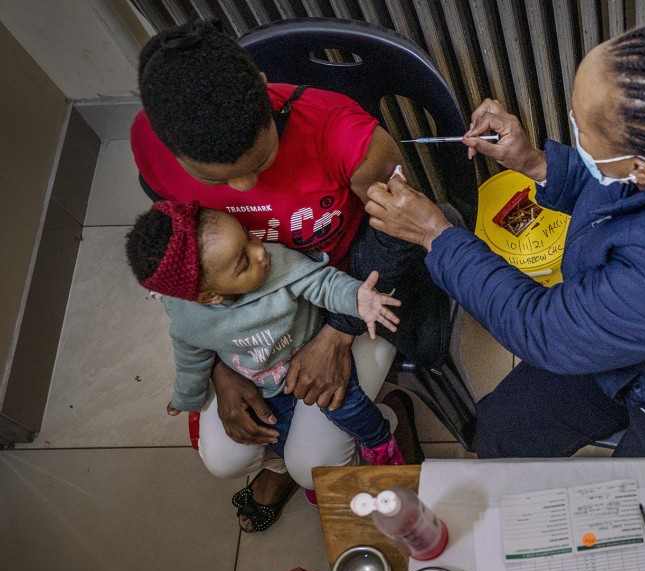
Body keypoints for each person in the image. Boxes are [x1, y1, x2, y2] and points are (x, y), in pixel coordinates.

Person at [364, 21, 645, 458]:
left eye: (579, 126)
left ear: (640, 165)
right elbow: (624, 196)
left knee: (640, 516)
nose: (574, 131)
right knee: (503, 430)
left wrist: (436, 235)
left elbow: (539, 325)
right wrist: (535, 162)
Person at [130, 20, 437, 529]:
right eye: (218, 178)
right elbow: (180, 263)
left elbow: (401, 237)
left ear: (267, 103)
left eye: (261, 157)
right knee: (225, 458)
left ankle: (381, 426)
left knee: (312, 463)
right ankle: (282, 460)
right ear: (172, 150)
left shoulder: (348, 139)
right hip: (244, 325)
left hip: (345, 295)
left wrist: (339, 336)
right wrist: (219, 368)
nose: (247, 185)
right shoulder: (150, 146)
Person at [125, 200, 411, 528]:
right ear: (209, 297)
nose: (261, 251)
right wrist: (186, 397)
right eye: (243, 260)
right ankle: (295, 472)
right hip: (266, 379)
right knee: (273, 431)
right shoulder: (189, 317)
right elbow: (191, 354)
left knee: (344, 403)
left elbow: (323, 283)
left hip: (312, 356)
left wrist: (358, 300)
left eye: (248, 236)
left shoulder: (278, 265)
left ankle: (382, 443)